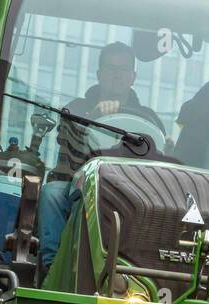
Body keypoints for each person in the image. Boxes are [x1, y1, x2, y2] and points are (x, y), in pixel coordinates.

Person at [38, 43, 165, 270]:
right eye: (111, 68)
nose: (117, 75)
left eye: (124, 69)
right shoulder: (76, 109)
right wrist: (93, 118)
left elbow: (157, 163)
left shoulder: (150, 119)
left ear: (133, 76)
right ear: (99, 74)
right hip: (80, 187)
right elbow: (72, 151)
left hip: (134, 191)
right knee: (51, 194)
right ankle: (52, 269)